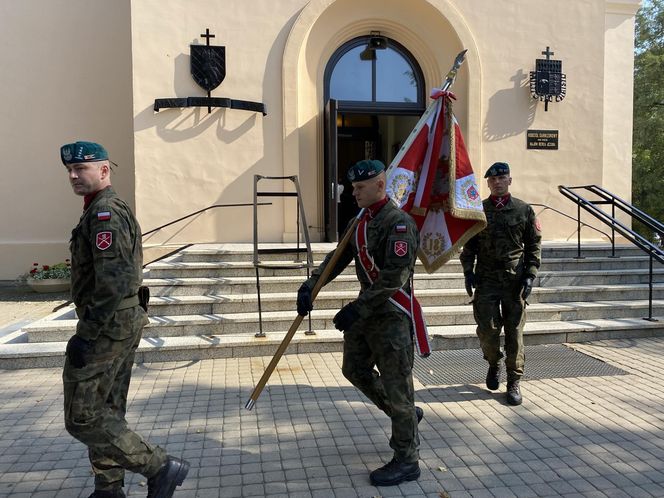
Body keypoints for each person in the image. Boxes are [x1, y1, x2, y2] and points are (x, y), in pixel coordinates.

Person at [60, 141, 189, 498]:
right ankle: (109, 487)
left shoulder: (107, 213)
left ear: (104, 170)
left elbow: (114, 278)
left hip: (107, 324)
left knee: (82, 415)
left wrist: (86, 334)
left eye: (81, 168)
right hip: (117, 320)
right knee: (107, 410)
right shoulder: (97, 210)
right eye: (69, 170)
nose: (73, 175)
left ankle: (159, 466)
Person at [296, 159, 423, 487]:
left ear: (380, 184)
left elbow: (395, 277)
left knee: (398, 387)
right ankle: (402, 414)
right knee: (354, 369)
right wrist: (313, 284)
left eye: (360, 187)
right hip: (366, 314)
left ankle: (407, 459)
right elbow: (337, 258)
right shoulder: (359, 222)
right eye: (352, 187)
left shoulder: (399, 224)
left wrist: (356, 307)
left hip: (391, 315)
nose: (354, 192)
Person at [460, 161, 542, 406]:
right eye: (492, 179)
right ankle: (494, 362)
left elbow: (533, 245)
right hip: (486, 280)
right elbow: (469, 245)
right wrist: (467, 272)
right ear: (488, 183)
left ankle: (514, 381)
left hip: (513, 281)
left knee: (515, 332)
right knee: (487, 329)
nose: (497, 182)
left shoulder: (523, 210)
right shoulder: (478, 210)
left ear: (509, 181)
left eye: (502, 177)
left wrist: (530, 275)